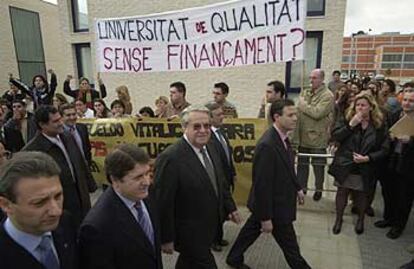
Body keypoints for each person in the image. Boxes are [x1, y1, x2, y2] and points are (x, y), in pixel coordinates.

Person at [227, 99, 310, 269]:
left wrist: (298, 188)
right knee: (291, 248)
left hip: (272, 204)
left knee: (250, 231)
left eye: (296, 114)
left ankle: (234, 257)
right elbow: (262, 185)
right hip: (274, 207)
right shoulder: (268, 145)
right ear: (276, 117)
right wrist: (266, 218)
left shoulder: (283, 139)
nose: (295, 118)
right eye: (290, 115)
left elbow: (288, 167)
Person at [154, 105, 240, 269]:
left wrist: (230, 207)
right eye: (197, 126)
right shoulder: (171, 158)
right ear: (184, 127)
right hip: (188, 232)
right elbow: (163, 201)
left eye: (207, 126)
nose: (203, 130)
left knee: (188, 264)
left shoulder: (212, 147)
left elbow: (219, 182)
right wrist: (166, 237)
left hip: (210, 227)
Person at [79, 144, 162, 269]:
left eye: (147, 173)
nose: (147, 182)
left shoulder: (146, 194)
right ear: (115, 180)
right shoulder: (96, 227)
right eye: (138, 177)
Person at [0, 151, 78, 269]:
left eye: (58, 196)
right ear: (6, 205)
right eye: (39, 203)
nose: (56, 211)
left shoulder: (65, 222)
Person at [23, 105, 95, 227]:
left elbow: (80, 163)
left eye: (60, 119)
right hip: (60, 205)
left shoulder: (67, 136)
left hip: (81, 198)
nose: (61, 123)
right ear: (42, 125)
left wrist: (90, 185)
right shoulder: (32, 151)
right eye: (55, 121)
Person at [329, 93, 389, 235]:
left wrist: (368, 158)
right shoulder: (347, 119)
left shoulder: (379, 124)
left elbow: (385, 149)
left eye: (363, 105)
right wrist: (351, 125)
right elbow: (335, 136)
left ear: (371, 107)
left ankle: (360, 219)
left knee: (362, 195)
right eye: (357, 105)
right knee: (342, 192)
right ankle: (338, 219)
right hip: (346, 164)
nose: (360, 108)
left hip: (365, 166)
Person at [375, 91, 414, 239]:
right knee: (388, 192)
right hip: (390, 160)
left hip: (408, 164)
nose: (407, 103)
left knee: (404, 197)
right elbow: (384, 133)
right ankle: (388, 218)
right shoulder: (394, 114)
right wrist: (389, 137)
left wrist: (410, 141)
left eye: (411, 101)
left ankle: (398, 226)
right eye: (405, 100)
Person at [294, 69, 334, 201]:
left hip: (317, 137)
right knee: (302, 166)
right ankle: (302, 189)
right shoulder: (305, 92)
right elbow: (298, 109)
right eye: (310, 78)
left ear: (322, 79)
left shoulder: (328, 96)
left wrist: (303, 105)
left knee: (318, 166)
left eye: (314, 78)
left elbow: (317, 113)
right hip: (302, 135)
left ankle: (318, 189)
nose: (311, 80)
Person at [205, 102, 237, 252]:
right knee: (215, 211)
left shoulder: (221, 132)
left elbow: (227, 155)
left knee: (223, 210)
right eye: (218, 115)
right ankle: (212, 240)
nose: (222, 117)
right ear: (210, 118)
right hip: (217, 179)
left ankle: (219, 236)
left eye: (222, 114)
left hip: (226, 178)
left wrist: (233, 173)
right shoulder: (208, 137)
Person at [60, 103, 96, 176]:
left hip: (84, 170)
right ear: (61, 117)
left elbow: (87, 149)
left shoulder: (82, 128)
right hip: (70, 173)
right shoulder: (59, 133)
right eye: (68, 115)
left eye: (74, 114)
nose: (72, 117)